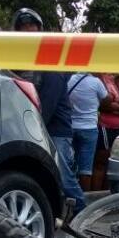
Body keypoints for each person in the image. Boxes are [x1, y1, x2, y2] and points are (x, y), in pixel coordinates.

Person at [36, 71, 87, 211]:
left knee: (64, 176)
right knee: (60, 175)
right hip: (55, 131)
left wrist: (36, 126)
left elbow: (48, 104)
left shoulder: (53, 74)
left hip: (56, 132)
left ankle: (82, 211)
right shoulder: (52, 74)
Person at [65, 72, 112, 196]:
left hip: (71, 127)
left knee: (71, 166)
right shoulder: (96, 82)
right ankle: (84, 200)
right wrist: (101, 78)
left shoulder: (70, 80)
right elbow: (108, 100)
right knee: (85, 169)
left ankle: (71, 197)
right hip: (89, 128)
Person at [91, 73, 119, 191]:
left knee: (110, 163)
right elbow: (103, 105)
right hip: (105, 126)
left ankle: (107, 193)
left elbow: (116, 101)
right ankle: (96, 195)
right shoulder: (100, 79)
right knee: (101, 163)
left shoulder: (113, 80)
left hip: (117, 127)